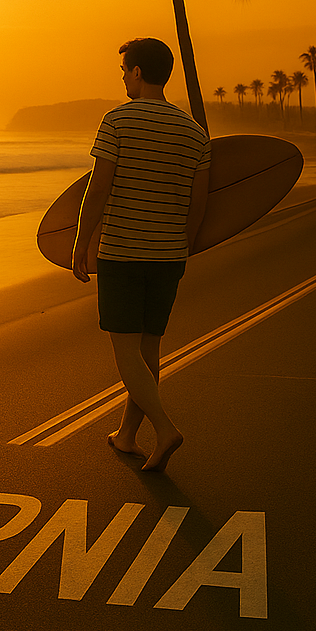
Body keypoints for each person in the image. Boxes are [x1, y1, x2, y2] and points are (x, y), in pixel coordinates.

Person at [72, 37, 210, 473]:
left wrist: (81, 242)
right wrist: (182, 246)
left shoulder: (117, 121)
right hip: (168, 256)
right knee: (149, 348)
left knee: (126, 350)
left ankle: (165, 429)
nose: (123, 79)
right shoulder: (195, 133)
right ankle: (127, 435)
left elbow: (98, 189)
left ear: (136, 72)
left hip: (124, 252)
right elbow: (199, 202)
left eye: (124, 71)